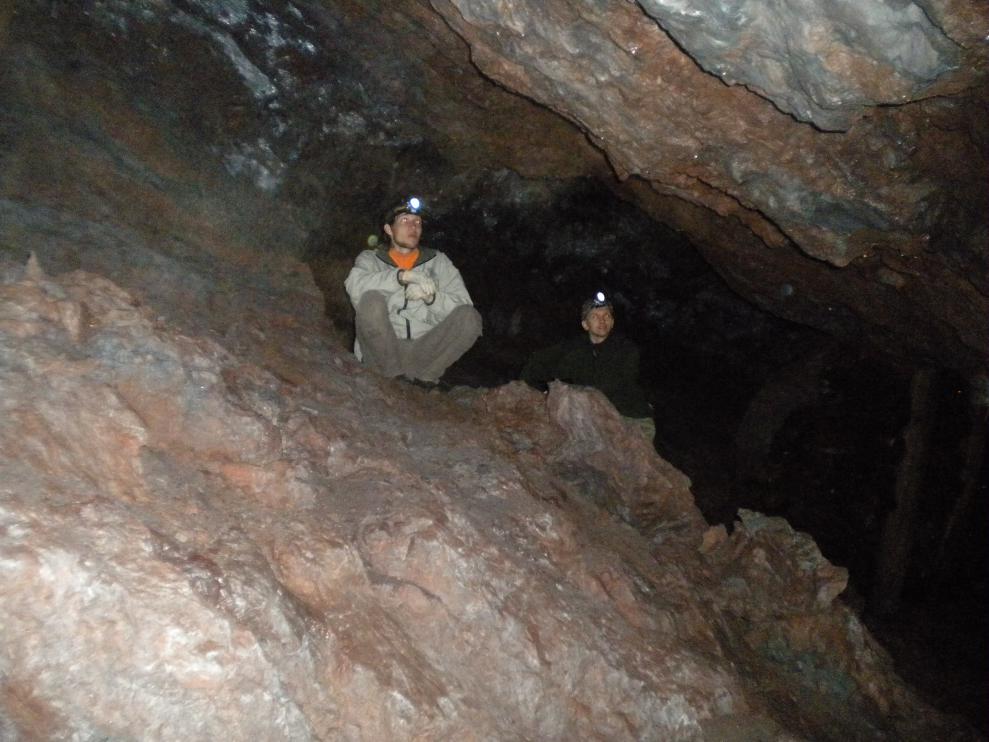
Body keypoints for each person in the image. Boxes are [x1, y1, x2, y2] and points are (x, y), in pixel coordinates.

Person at [344, 196, 482, 387]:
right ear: (389, 229)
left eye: (417, 222)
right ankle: (391, 374)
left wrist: (431, 299)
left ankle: (426, 378)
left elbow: (464, 306)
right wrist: (401, 277)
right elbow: (354, 286)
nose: (413, 227)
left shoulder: (439, 262)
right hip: (381, 352)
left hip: (422, 352)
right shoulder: (371, 259)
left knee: (470, 317)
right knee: (371, 300)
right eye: (405, 220)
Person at [521, 291, 655, 440]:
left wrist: (568, 391)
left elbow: (612, 383)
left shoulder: (626, 349)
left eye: (606, 316)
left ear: (612, 322)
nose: (602, 321)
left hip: (630, 418)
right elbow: (539, 361)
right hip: (590, 416)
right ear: (585, 324)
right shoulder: (574, 347)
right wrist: (542, 389)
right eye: (595, 317)